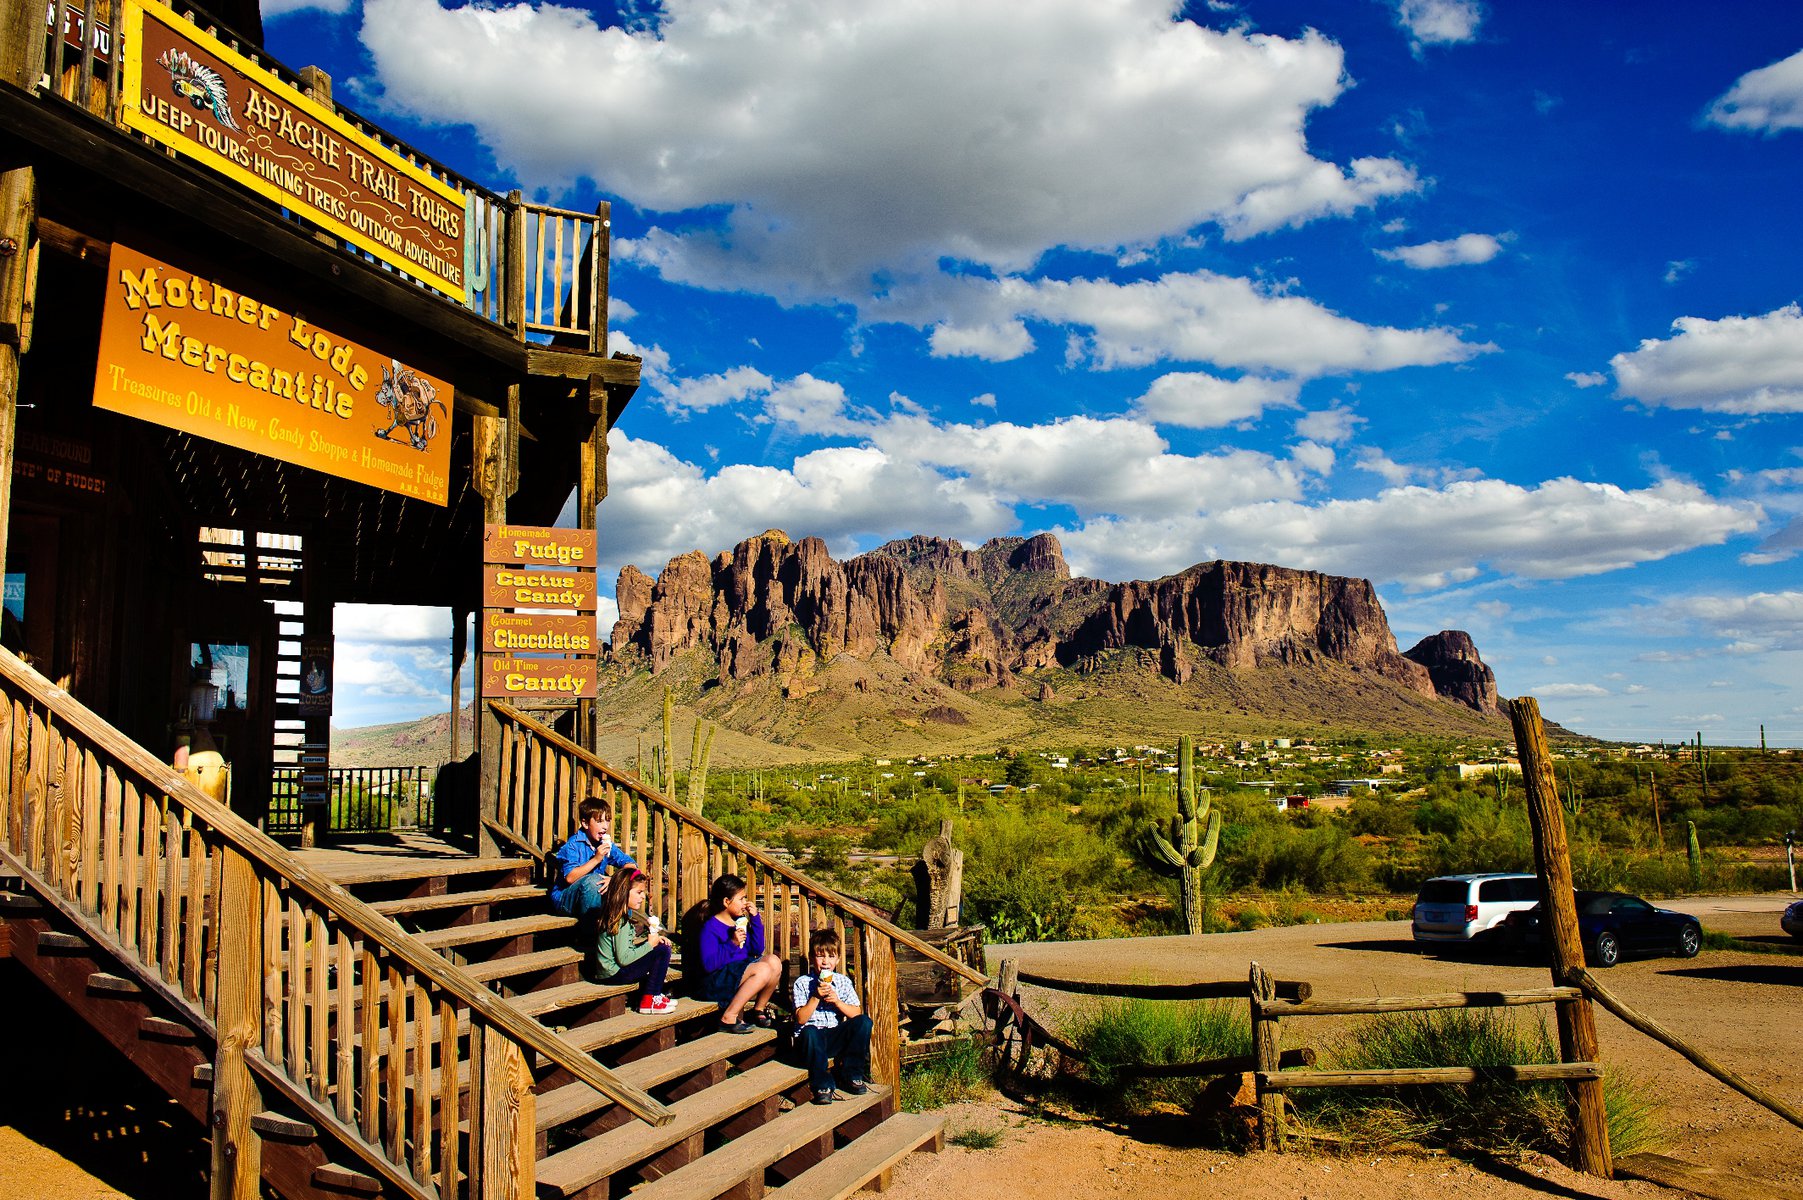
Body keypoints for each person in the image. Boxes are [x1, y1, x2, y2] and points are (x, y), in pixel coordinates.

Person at [791, 928, 872, 1104]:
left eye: (830, 957)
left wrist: (837, 1002)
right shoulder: (803, 983)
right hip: (810, 1041)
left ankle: (852, 1074)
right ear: (813, 959)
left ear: (838, 959)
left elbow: (856, 1013)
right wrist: (816, 997)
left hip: (833, 1035)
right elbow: (801, 1019)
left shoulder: (842, 981)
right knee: (810, 1031)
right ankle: (822, 1085)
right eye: (820, 956)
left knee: (864, 1022)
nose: (825, 962)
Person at [697, 873, 784, 1034]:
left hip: (737, 971)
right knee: (763, 969)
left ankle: (758, 1009)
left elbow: (757, 949)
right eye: (742, 899)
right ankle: (728, 1017)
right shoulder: (711, 927)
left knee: (774, 961)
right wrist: (732, 944)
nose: (745, 903)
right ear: (726, 902)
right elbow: (709, 965)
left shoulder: (739, 922)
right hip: (716, 980)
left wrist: (755, 919)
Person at [589, 868, 677, 1012]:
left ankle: (654, 995)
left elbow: (625, 951)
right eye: (639, 892)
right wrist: (649, 944)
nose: (643, 896)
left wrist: (651, 943)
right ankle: (650, 998)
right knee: (662, 951)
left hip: (610, 973)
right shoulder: (619, 922)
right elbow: (624, 958)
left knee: (659, 947)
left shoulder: (615, 916)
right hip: (614, 974)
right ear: (624, 892)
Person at [549, 797, 635, 918]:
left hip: (593, 895)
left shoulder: (605, 844)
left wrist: (615, 880)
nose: (605, 826)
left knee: (623, 886)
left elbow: (631, 865)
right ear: (585, 823)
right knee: (593, 881)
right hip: (566, 900)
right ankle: (591, 935)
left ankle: (624, 933)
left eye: (607, 821)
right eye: (599, 821)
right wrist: (596, 859)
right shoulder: (573, 845)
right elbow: (570, 878)